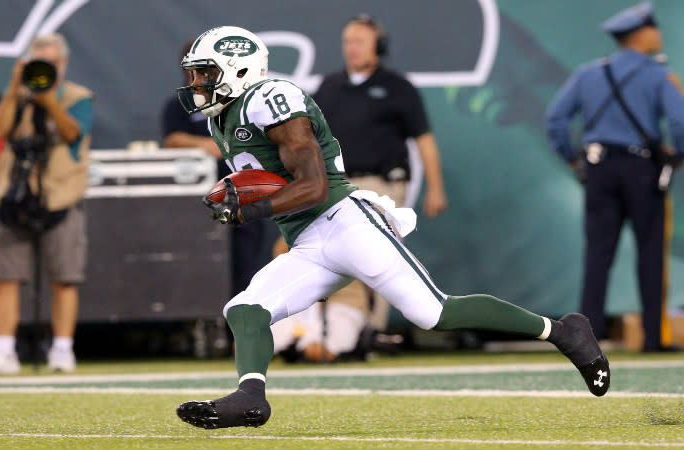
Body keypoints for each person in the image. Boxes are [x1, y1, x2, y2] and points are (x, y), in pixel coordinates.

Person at [174, 25, 610, 429]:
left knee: (433, 313)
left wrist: (248, 210)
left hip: (345, 223)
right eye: (195, 75)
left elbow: (313, 186)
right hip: (306, 241)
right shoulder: (222, 117)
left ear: (239, 68)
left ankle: (563, 331)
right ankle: (251, 398)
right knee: (246, 309)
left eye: (205, 73)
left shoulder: (271, 98)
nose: (198, 84)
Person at [269, 14, 449, 362]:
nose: (352, 49)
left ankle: (373, 331)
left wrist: (435, 187)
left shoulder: (397, 86)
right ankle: (312, 329)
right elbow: (308, 139)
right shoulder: (330, 86)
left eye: (360, 41)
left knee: (377, 255)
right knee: (312, 249)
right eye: (348, 42)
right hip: (335, 182)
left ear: (377, 46)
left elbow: (424, 140)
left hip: (381, 184)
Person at [544, 2, 684, 353]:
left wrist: (571, 159)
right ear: (642, 34)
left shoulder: (588, 73)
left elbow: (556, 121)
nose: (658, 34)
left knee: (597, 255)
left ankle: (584, 341)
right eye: (654, 28)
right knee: (651, 254)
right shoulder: (658, 75)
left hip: (598, 169)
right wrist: (679, 156)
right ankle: (653, 340)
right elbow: (682, 124)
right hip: (642, 170)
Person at [0, 33, 94, 374]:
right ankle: (4, 349)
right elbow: (0, 129)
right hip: (15, 194)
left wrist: (48, 99)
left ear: (63, 64)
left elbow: (72, 133)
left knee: (64, 276)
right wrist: (14, 86)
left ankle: (63, 349)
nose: (44, 69)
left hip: (61, 193)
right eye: (38, 63)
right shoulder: (16, 96)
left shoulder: (78, 97)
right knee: (6, 276)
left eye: (50, 63)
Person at [161, 39, 267, 297]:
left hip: (244, 196)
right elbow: (172, 140)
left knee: (245, 266)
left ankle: (240, 330)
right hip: (199, 202)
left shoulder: (238, 99)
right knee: (200, 266)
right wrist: (209, 144)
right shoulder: (180, 104)